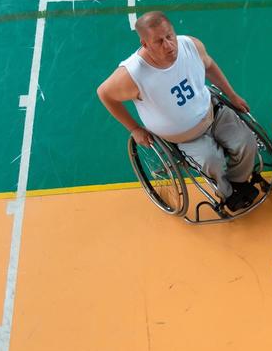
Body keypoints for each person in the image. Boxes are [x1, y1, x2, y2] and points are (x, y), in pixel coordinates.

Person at [96, 11, 260, 213]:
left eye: (169, 36)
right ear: (145, 44)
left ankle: (239, 182)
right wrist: (134, 129)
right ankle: (228, 193)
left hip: (213, 114)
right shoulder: (132, 74)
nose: (169, 45)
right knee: (213, 161)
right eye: (159, 42)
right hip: (184, 137)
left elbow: (209, 66)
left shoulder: (191, 45)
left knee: (248, 143)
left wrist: (232, 95)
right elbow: (104, 93)